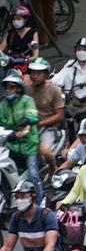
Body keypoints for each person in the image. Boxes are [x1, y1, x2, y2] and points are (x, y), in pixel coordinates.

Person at [0, 181, 67, 251]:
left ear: (33, 195)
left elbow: (51, 245)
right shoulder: (16, 218)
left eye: (23, 196)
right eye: (17, 196)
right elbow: (7, 247)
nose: (19, 200)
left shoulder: (46, 215)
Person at [0, 71, 43, 203]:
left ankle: (40, 202)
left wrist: (25, 129)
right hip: (11, 144)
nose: (8, 90)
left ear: (18, 88)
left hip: (29, 144)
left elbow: (31, 115)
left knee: (33, 174)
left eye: (11, 87)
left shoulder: (27, 101)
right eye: (6, 87)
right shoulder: (3, 105)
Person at [51, 38, 86, 121]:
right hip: (73, 102)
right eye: (79, 49)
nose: (81, 52)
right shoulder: (70, 65)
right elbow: (58, 78)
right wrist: (47, 82)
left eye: (84, 50)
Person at [24, 57, 63, 172]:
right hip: (28, 127)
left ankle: (53, 167)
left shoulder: (54, 90)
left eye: (39, 73)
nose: (35, 76)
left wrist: (40, 124)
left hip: (48, 128)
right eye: (33, 73)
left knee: (44, 150)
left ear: (46, 74)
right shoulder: (26, 89)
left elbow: (59, 115)